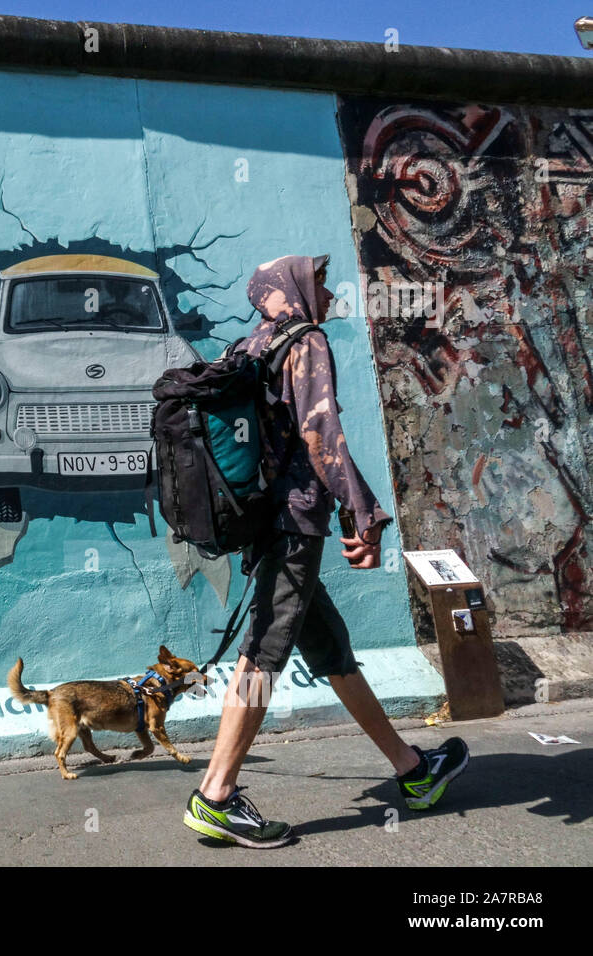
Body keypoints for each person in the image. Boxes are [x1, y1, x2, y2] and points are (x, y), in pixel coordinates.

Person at [182, 254, 469, 849]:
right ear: (292, 287)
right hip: (293, 522)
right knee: (263, 654)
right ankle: (215, 795)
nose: (328, 289)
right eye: (317, 278)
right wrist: (363, 511)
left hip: (267, 518)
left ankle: (412, 771)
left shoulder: (251, 344)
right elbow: (321, 433)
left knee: (330, 648)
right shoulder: (304, 341)